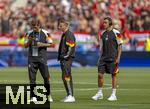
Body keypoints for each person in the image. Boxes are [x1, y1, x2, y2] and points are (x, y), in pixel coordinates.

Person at [92, 17, 123, 101]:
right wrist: (99, 58)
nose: (104, 24)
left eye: (105, 22)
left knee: (113, 75)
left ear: (110, 23)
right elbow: (101, 48)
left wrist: (118, 58)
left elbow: (120, 46)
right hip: (103, 58)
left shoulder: (117, 33)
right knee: (100, 75)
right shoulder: (102, 34)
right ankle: (99, 93)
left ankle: (113, 94)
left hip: (113, 58)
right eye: (103, 22)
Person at [24, 19, 53, 102]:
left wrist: (41, 44)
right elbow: (25, 46)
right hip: (32, 58)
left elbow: (51, 44)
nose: (34, 29)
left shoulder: (46, 33)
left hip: (42, 58)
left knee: (46, 77)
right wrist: (30, 40)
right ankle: (33, 96)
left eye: (35, 27)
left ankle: (48, 95)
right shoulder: (28, 33)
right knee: (32, 79)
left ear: (39, 25)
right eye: (33, 27)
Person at [57, 18, 76, 102]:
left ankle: (71, 96)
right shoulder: (64, 34)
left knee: (66, 76)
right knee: (65, 76)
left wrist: (65, 56)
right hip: (64, 58)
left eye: (60, 26)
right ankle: (69, 94)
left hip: (66, 59)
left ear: (66, 25)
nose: (59, 27)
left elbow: (71, 47)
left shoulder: (69, 34)